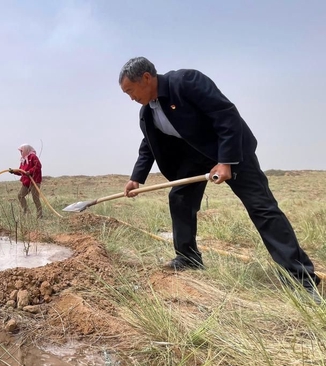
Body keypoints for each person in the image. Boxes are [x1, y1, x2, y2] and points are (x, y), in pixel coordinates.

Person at [118, 56, 321, 302]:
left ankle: (301, 279)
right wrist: (136, 178)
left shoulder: (186, 82)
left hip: (232, 150)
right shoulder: (147, 112)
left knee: (262, 208)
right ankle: (188, 257)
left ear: (147, 78)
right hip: (196, 157)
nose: (130, 98)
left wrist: (226, 160)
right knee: (180, 198)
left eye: (130, 90)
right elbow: (148, 145)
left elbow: (226, 116)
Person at [9, 144, 43, 219]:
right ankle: (26, 212)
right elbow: (21, 171)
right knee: (20, 196)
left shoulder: (33, 157)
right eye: (20, 151)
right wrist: (13, 171)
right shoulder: (23, 160)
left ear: (26, 150)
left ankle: (40, 215)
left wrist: (30, 172)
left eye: (22, 151)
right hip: (26, 182)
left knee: (35, 198)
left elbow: (38, 166)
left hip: (34, 181)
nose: (21, 152)